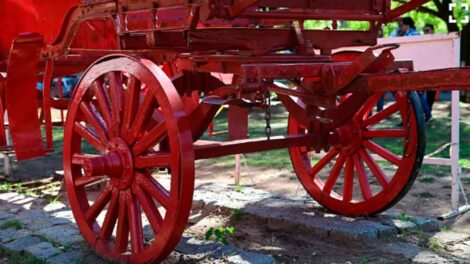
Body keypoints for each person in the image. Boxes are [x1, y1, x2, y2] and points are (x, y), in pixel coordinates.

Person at [423, 23, 437, 121]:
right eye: (424, 30)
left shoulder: (437, 42)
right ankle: (427, 114)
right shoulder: (422, 42)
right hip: (424, 71)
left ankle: (428, 114)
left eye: (427, 30)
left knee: (430, 95)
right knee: (419, 95)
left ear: (432, 31)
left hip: (434, 72)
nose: (425, 32)